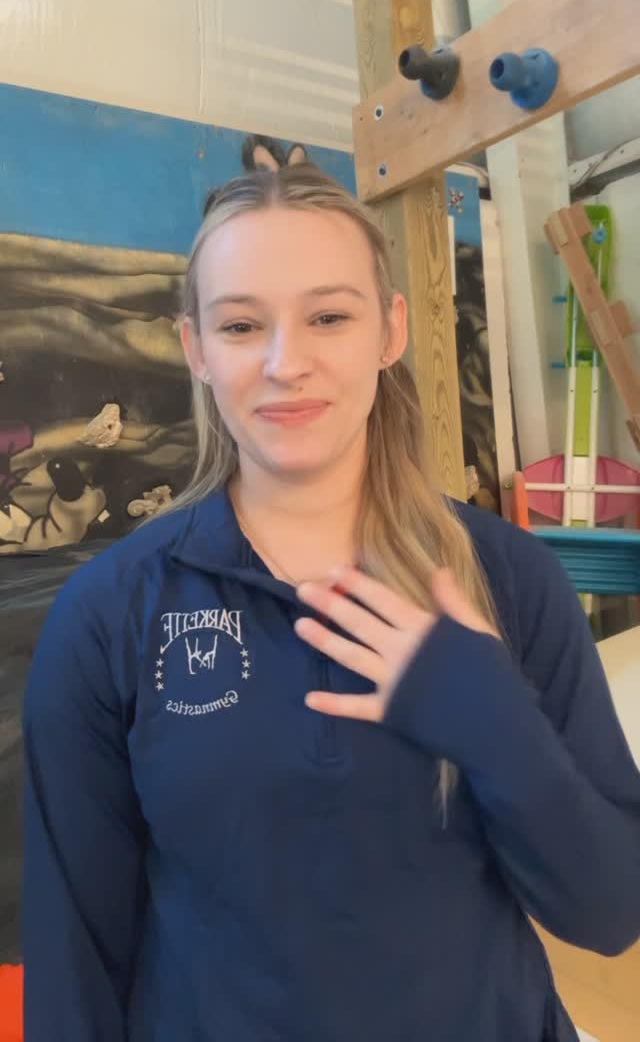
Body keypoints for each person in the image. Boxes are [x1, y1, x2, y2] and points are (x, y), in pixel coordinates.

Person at [22, 165, 640, 1042]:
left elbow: (611, 912)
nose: (287, 364)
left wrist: (494, 722)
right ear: (196, 349)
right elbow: (74, 955)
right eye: (241, 325)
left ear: (390, 330)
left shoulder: (507, 580)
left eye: (329, 317)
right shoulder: (110, 613)